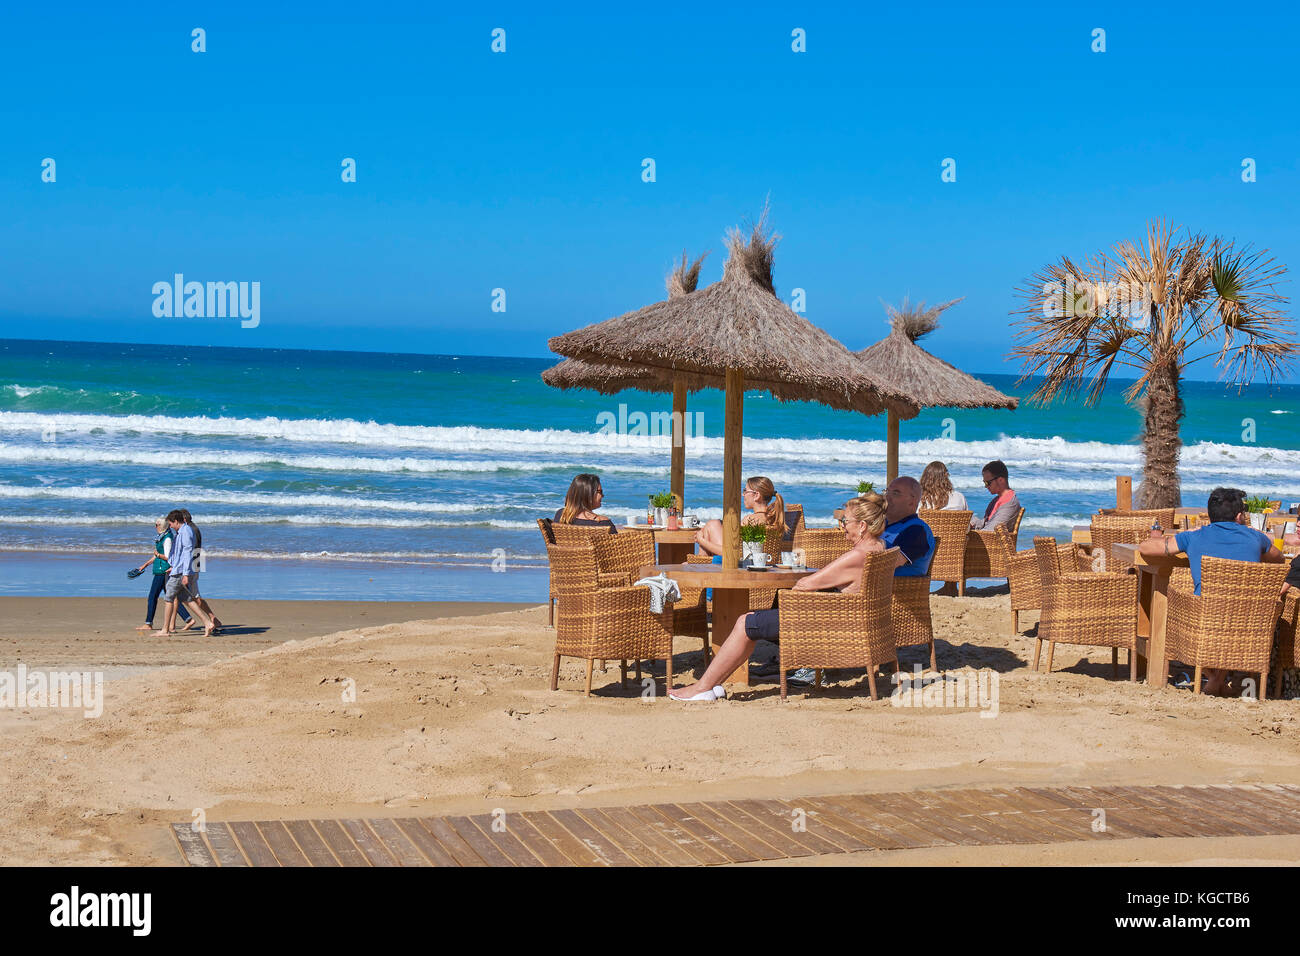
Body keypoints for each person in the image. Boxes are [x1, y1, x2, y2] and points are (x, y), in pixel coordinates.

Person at [669, 493, 889, 701]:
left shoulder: (857, 555)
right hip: (848, 622)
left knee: (746, 622)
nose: (842, 527)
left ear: (862, 526)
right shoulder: (880, 547)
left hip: (825, 625)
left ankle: (702, 688)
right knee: (759, 616)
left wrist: (796, 593)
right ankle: (713, 683)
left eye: (845, 522)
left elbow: (806, 583)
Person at [1139, 486, 1283, 695]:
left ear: (1209, 515)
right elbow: (1278, 559)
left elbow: (1146, 548)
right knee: (1230, 609)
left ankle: (1212, 679)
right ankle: (1217, 679)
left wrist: (1177, 536)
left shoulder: (1194, 537)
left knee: (1171, 600)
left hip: (1204, 616)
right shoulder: (1256, 538)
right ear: (1240, 516)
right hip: (1249, 618)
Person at [695, 476, 793, 556]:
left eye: (745, 491)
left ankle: (700, 562)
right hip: (763, 562)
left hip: (737, 564)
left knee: (712, 524)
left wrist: (701, 541)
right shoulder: (774, 517)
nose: (743, 495)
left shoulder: (750, 520)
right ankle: (700, 560)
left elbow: (731, 553)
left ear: (756, 495)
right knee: (713, 525)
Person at [157, 510, 214, 637]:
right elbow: (180, 553)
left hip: (182, 571)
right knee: (186, 599)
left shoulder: (187, 531)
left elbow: (189, 552)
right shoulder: (180, 532)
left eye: (171, 523)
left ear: (176, 521)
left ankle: (165, 630)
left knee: (169, 598)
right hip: (179, 569)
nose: (169, 526)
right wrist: (173, 565)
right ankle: (207, 622)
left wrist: (186, 574)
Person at [134, 517, 191, 631]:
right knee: (171, 597)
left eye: (156, 524)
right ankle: (188, 619)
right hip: (161, 570)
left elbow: (169, 557)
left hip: (163, 571)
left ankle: (148, 623)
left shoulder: (167, 539)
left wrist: (159, 556)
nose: (155, 527)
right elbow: (157, 554)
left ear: (161, 526)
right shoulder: (162, 537)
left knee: (153, 596)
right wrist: (145, 565)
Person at [882, 476, 937, 577]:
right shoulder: (882, 524)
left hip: (893, 588)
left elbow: (888, 563)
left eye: (895, 493)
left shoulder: (916, 530)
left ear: (912, 501)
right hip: (870, 583)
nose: (887, 497)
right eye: (887, 491)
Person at [179, 508, 222, 630]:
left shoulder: (190, 529)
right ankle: (212, 619)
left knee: (193, 596)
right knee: (191, 595)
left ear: (184, 519)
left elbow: (189, 550)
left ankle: (211, 619)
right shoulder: (193, 528)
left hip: (194, 562)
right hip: (197, 560)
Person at [970, 459, 1020, 530]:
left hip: (993, 540)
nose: (986, 486)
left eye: (988, 483)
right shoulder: (997, 500)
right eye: (985, 483)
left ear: (1000, 480)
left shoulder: (1010, 503)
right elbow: (986, 523)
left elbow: (991, 530)